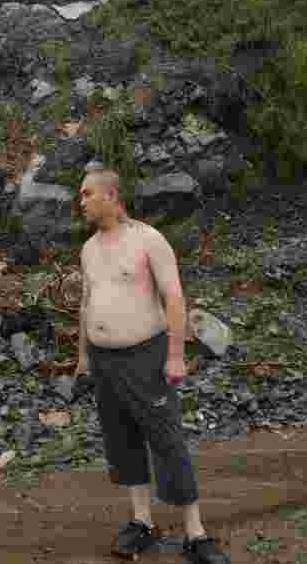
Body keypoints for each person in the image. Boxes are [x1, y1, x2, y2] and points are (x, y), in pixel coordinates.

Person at [75, 163, 229, 564]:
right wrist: (82, 357)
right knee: (121, 440)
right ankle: (142, 523)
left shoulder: (148, 239)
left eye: (86, 194)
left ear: (111, 195)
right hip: (104, 361)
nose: (81, 203)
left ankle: (195, 534)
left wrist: (176, 354)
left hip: (146, 355)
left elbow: (174, 297)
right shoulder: (88, 249)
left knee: (166, 439)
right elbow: (86, 303)